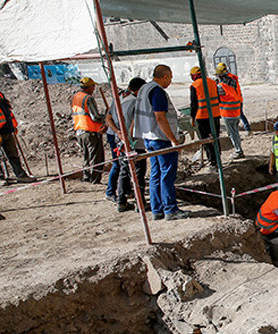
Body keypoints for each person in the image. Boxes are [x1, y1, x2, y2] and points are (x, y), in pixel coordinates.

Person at [134, 65, 189, 221]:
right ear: (165, 76)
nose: (171, 81)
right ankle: (170, 209)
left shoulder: (145, 89)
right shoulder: (157, 91)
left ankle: (157, 209)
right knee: (167, 174)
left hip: (148, 137)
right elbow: (160, 117)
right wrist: (173, 139)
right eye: (170, 78)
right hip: (160, 138)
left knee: (156, 174)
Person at [104, 77, 147, 213]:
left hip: (121, 141)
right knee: (138, 172)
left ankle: (122, 202)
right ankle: (139, 203)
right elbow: (134, 122)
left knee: (124, 171)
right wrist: (128, 138)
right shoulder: (136, 102)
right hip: (134, 143)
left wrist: (118, 133)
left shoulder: (119, 98)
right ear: (139, 89)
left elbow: (108, 118)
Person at [71, 77, 107, 183]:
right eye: (93, 86)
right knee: (96, 157)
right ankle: (95, 179)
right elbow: (95, 117)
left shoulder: (75, 97)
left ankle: (87, 176)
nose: (94, 88)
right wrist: (106, 117)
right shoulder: (88, 98)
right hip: (90, 132)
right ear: (89, 87)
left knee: (87, 156)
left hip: (79, 131)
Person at [189, 66, 221, 168]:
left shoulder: (195, 85)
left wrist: (192, 117)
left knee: (206, 140)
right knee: (215, 138)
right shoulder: (212, 82)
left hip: (202, 116)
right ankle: (218, 159)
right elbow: (218, 99)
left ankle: (213, 162)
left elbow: (194, 104)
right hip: (215, 114)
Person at [215, 62, 245, 158]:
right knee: (235, 131)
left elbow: (216, 95)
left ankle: (238, 151)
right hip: (236, 111)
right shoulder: (233, 80)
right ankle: (239, 149)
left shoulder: (221, 87)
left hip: (228, 112)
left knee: (232, 133)